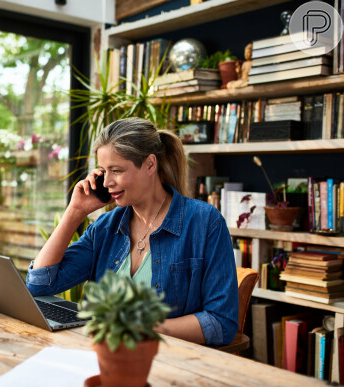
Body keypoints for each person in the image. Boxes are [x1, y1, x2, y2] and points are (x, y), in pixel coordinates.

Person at [26, 117, 238, 346]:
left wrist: (140, 327)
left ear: (149, 164)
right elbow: (39, 285)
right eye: (103, 171)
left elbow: (220, 323)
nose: (106, 182)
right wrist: (75, 211)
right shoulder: (105, 228)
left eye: (116, 170)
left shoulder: (204, 222)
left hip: (168, 363)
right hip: (99, 356)